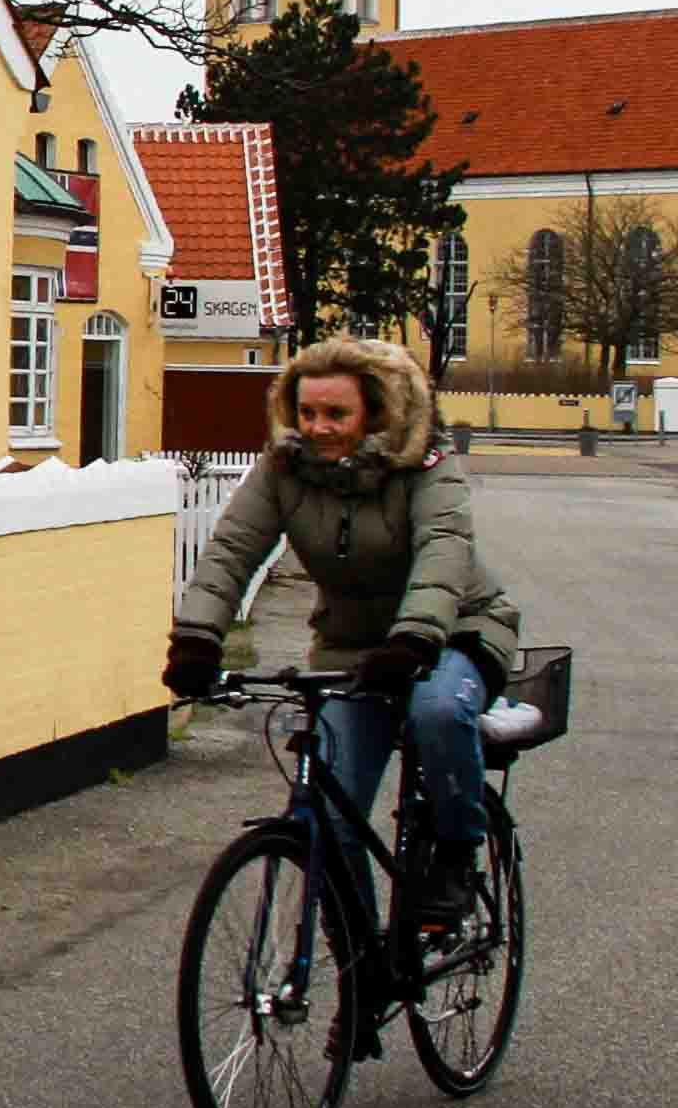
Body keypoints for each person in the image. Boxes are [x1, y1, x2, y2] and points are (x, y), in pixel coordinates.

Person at [166, 335, 522, 928]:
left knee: (435, 712)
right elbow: (231, 551)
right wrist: (198, 639)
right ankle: (362, 977)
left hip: (455, 631)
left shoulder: (426, 465)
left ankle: (457, 853)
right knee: (329, 816)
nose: (319, 428)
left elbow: (444, 550)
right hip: (353, 648)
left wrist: (414, 639)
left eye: (337, 414)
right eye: (306, 413)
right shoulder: (284, 470)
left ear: (375, 412)